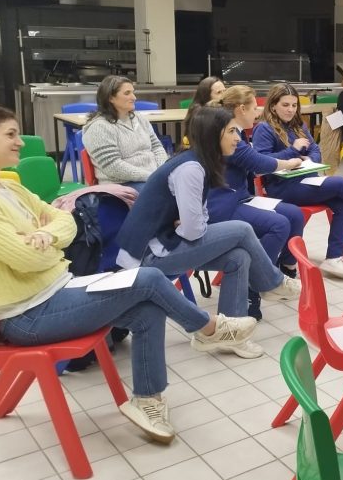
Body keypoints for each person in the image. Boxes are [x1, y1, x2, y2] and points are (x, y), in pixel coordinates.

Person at [0, 104, 257, 444]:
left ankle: (147, 400)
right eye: (11, 135)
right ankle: (209, 329)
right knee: (148, 278)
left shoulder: (9, 188)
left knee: (148, 309)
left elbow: (66, 221)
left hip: (58, 290)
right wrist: (45, 245)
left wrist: (45, 237)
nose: (20, 142)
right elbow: (27, 259)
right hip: (27, 314)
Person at [116, 106, 299, 359]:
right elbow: (194, 231)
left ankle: (230, 334)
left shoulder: (200, 162)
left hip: (165, 242)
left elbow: (200, 217)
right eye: (231, 131)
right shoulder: (191, 168)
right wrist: (188, 224)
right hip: (148, 255)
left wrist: (188, 224)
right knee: (242, 229)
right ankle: (272, 283)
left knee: (239, 257)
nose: (238, 138)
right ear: (214, 135)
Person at [209, 85, 307, 317]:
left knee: (294, 214)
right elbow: (258, 163)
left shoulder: (236, 130)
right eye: (255, 108)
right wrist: (290, 161)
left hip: (241, 197)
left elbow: (253, 163)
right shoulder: (227, 133)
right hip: (225, 204)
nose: (258, 112)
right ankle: (256, 287)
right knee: (279, 224)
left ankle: (284, 271)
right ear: (241, 109)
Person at [252, 83, 343, 281]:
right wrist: (293, 151)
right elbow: (262, 162)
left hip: (306, 180)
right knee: (342, 184)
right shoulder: (264, 128)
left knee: (342, 203)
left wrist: (309, 159)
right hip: (281, 187)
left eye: (294, 105)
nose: (290, 110)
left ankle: (334, 257)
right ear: (273, 106)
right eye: (285, 105)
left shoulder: (298, 125)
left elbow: (315, 149)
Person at [83, 76, 168, 191]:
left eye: (133, 92)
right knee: (167, 194)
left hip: (150, 177)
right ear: (110, 98)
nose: (134, 97)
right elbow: (113, 167)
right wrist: (151, 177)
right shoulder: (99, 127)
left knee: (184, 184)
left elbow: (156, 147)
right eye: (127, 93)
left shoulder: (139, 118)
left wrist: (162, 171)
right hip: (121, 184)